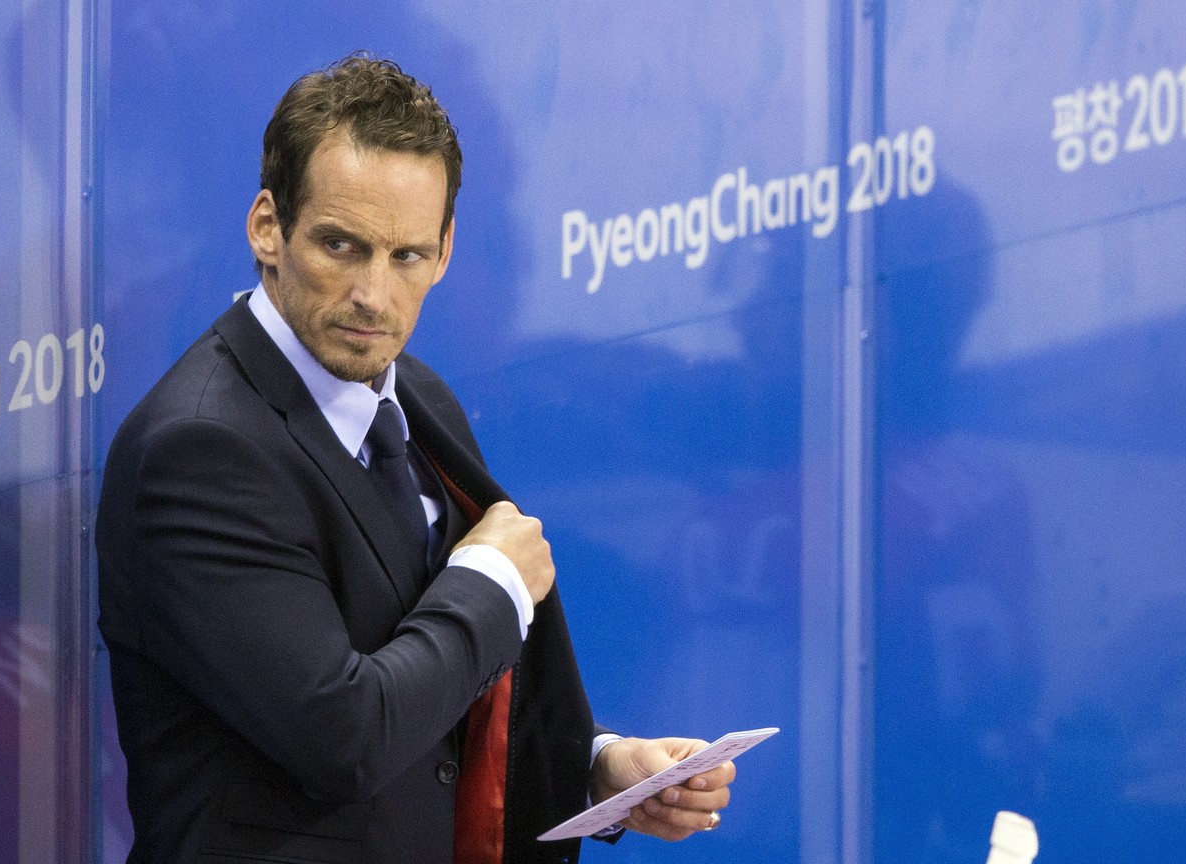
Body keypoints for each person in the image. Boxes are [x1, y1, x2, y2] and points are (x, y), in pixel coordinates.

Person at [96, 53, 737, 864]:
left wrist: (595, 768)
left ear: (445, 250)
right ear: (267, 228)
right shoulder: (197, 453)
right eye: (340, 245)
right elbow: (346, 734)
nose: (374, 294)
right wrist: (496, 583)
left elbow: (436, 709)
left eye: (406, 256)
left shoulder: (415, 394)